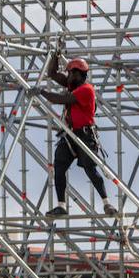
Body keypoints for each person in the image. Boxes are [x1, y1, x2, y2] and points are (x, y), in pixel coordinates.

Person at [30, 53, 118, 218]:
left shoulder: (86, 90)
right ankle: (61, 206)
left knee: (90, 168)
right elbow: (52, 74)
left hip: (85, 134)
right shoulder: (74, 86)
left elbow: (61, 99)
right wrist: (54, 55)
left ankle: (106, 203)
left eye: (71, 73)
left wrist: (41, 92)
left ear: (79, 74)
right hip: (70, 134)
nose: (68, 76)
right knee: (59, 166)